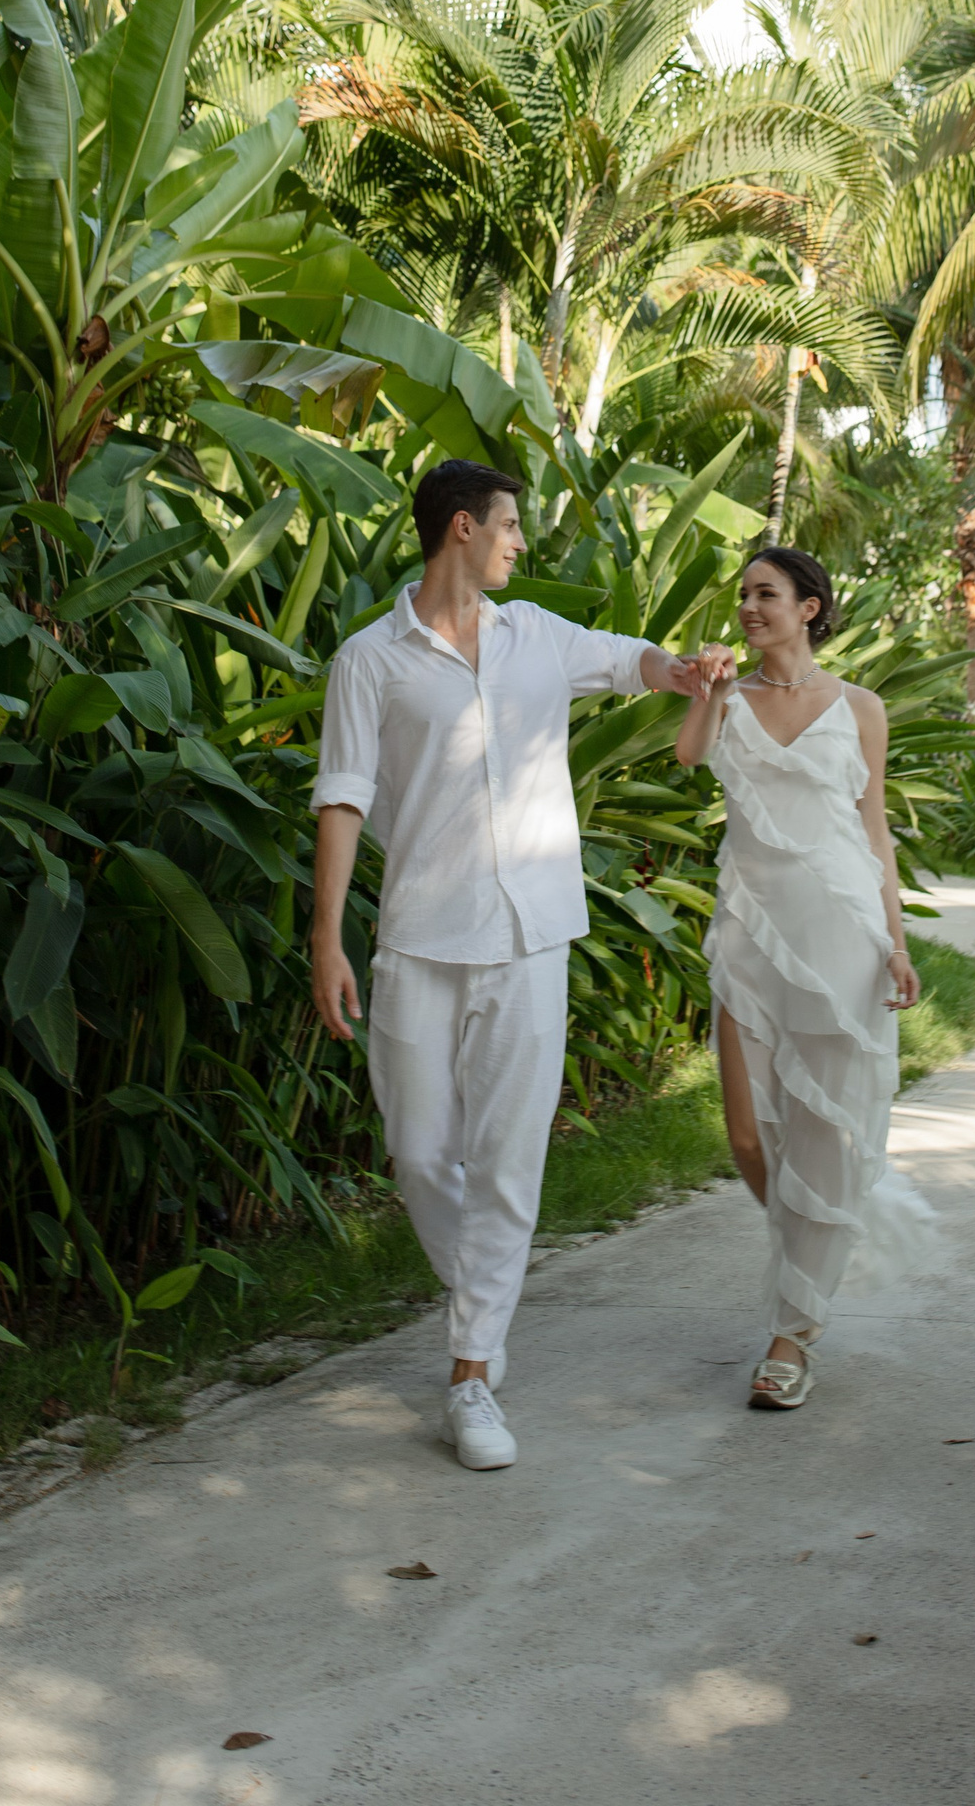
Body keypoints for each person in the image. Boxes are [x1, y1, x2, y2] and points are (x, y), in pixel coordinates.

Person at [310, 458, 734, 1472]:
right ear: (462, 528)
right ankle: (483, 1303)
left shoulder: (537, 635)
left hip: (532, 935)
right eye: (508, 526)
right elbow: (342, 796)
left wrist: (688, 668)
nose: (519, 542)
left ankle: (471, 1374)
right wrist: (326, 939)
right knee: (420, 1152)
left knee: (508, 1160)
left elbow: (634, 662)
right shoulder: (370, 660)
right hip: (421, 933)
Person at [676, 544, 935, 1409]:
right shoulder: (728, 697)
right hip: (750, 930)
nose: (750, 608)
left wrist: (896, 943)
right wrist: (708, 690)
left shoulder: (860, 706)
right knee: (749, 1136)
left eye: (767, 594)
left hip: (841, 936)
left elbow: (875, 832)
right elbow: (687, 756)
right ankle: (815, 1251)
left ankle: (791, 1336)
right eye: (744, 596)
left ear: (809, 607)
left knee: (823, 1131)